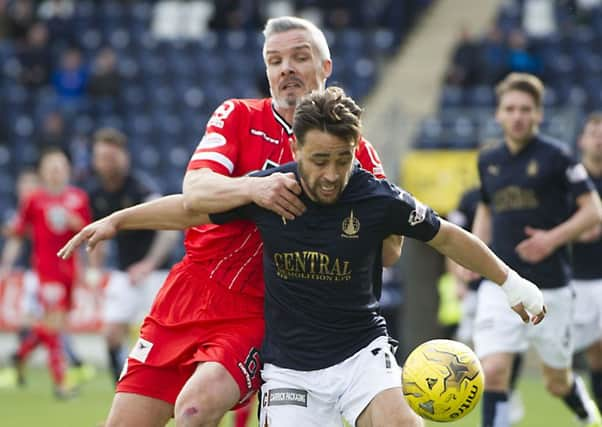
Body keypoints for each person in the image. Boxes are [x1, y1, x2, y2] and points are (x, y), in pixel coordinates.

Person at [59, 86, 546, 427]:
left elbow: (447, 237)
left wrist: (511, 282)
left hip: (361, 355)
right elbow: (190, 209)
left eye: (343, 159)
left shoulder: (377, 197)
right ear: (295, 149)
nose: (333, 174)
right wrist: (119, 220)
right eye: (319, 160)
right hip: (290, 367)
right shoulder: (270, 191)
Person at [66, 16, 392, 427]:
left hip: (257, 309)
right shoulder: (237, 117)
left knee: (194, 410)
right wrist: (251, 190)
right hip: (187, 292)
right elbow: (195, 194)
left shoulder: (354, 154)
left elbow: (389, 246)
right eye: (275, 61)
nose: (286, 68)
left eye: (299, 57)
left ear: (325, 68)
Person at [472, 72, 602, 427]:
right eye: (510, 109)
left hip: (551, 287)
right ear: (498, 114)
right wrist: (475, 250)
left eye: (525, 109)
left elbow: (594, 210)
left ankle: (582, 409)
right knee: (494, 371)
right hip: (500, 283)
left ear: (538, 115)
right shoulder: (488, 161)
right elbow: (486, 206)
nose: (517, 116)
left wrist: (552, 239)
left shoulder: (558, 158)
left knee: (555, 382)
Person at [84, 127, 180, 384]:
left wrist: (148, 264)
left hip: (156, 274)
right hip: (124, 273)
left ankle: (159, 387)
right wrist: (94, 271)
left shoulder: (141, 188)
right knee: (111, 333)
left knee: (155, 338)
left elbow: (169, 231)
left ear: (123, 157)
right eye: (102, 157)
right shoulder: (96, 194)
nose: (107, 163)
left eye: (111, 157)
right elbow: (97, 237)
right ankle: (122, 392)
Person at [0, 147, 91, 398]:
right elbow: (19, 233)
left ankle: (19, 355)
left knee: (55, 324)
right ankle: (61, 383)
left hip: (70, 270)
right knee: (53, 323)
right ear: (43, 172)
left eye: (60, 167)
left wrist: (86, 268)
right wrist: (6, 264)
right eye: (51, 168)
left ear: (67, 171)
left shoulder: (78, 198)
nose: (55, 172)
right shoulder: (34, 200)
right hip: (47, 269)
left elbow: (87, 233)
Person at [447, 186, 526, 424]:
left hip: (503, 288)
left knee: (504, 352)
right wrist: (457, 279)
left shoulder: (520, 197)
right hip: (474, 290)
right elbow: (449, 240)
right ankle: (456, 394)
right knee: (465, 347)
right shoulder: (470, 198)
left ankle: (506, 389)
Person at [572, 112, 602, 413]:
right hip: (576, 280)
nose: (600, 138)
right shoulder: (571, 181)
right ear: (582, 139)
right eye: (595, 132)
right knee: (595, 355)